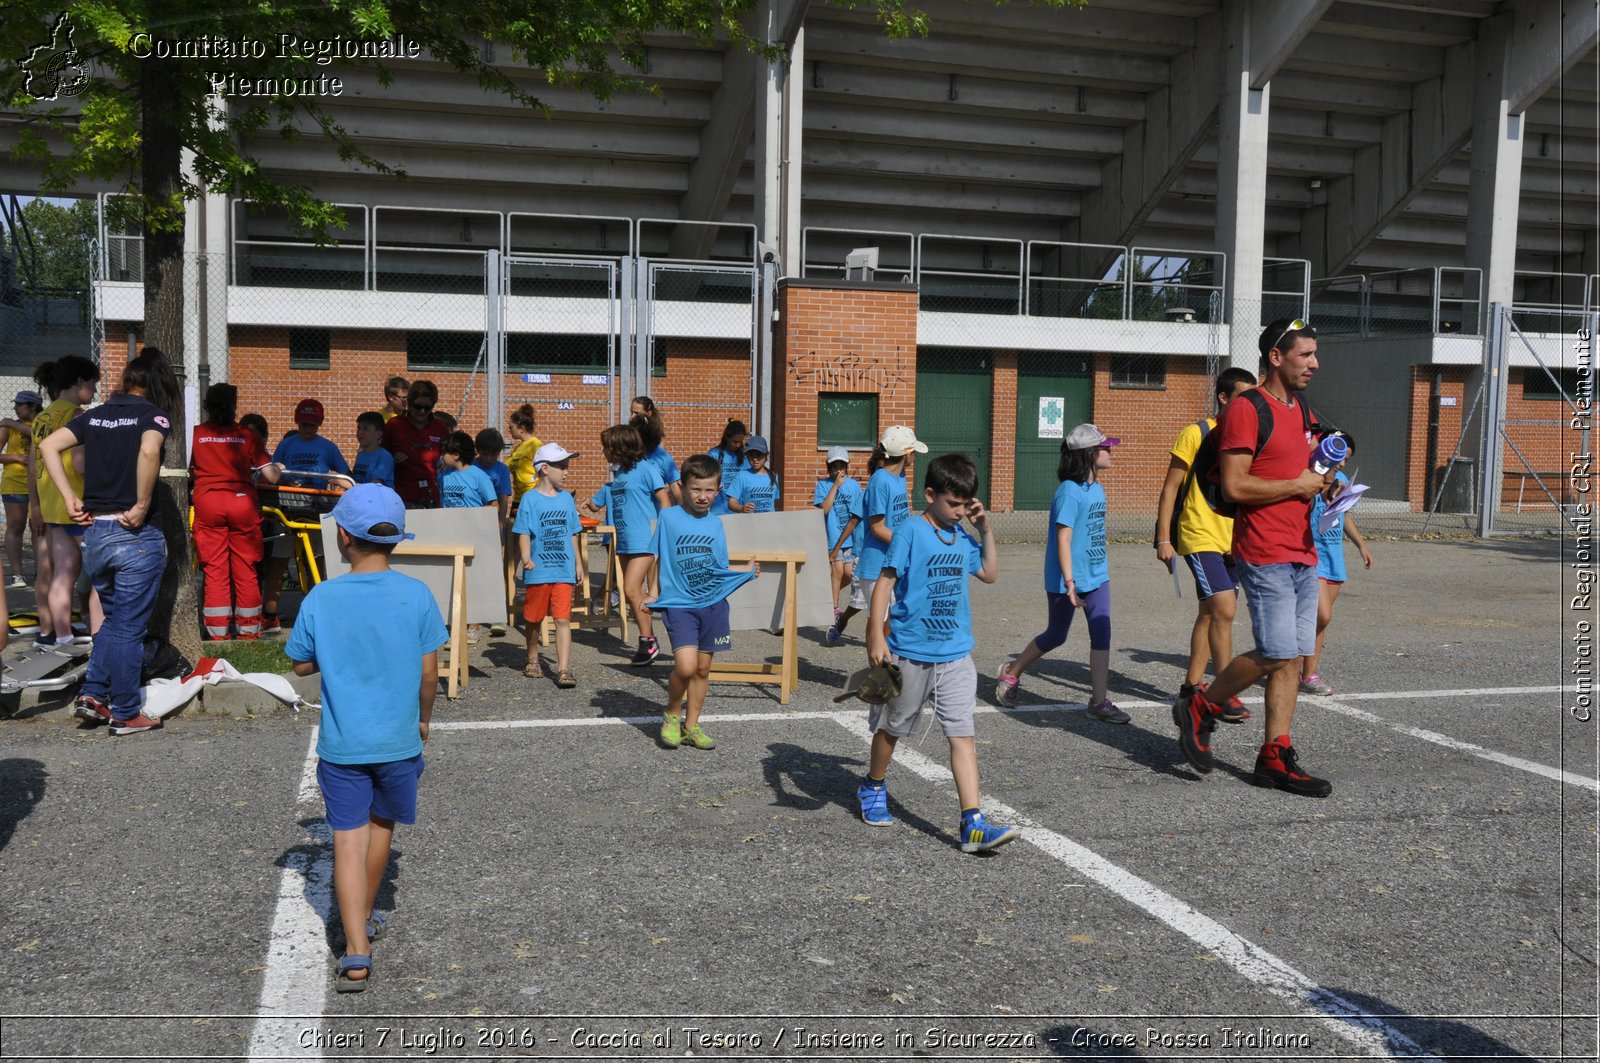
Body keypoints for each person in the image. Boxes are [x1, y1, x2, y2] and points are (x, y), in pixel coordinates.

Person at [284, 483, 448, 993]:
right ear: (397, 539)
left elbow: (300, 660)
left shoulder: (322, 596)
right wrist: (424, 721)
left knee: (346, 842)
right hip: (398, 741)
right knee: (382, 832)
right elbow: (428, 674)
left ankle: (356, 950)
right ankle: (368, 915)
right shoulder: (417, 594)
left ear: (342, 535)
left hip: (343, 744)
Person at [1173, 319, 1335, 798]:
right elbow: (1236, 485)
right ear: (1277, 357)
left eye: (1314, 354)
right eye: (1305, 354)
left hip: (1303, 547)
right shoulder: (1247, 408)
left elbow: (1298, 468)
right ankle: (1202, 705)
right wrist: (1298, 485)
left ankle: (1275, 756)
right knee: (1277, 651)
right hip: (1263, 551)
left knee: (1291, 660)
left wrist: (1325, 480)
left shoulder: (1300, 408)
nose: (1314, 364)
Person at [859, 452, 1018, 854]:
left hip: (955, 655)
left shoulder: (961, 534)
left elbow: (990, 573)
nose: (960, 510)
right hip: (910, 653)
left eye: (966, 504)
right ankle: (873, 784)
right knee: (892, 729)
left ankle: (973, 823)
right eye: (953, 503)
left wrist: (984, 530)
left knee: (962, 735)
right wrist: (876, 636)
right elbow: (884, 583)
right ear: (930, 495)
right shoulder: (912, 531)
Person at [39, 349, 176, 735]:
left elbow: (48, 447)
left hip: (95, 534)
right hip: (135, 534)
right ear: (156, 385)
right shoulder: (153, 415)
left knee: (115, 623)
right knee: (129, 628)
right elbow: (150, 449)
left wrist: (68, 498)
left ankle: (94, 693)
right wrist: (143, 503)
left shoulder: (93, 416)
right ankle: (127, 710)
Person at [994, 424, 1126, 722]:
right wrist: (1069, 582)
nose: (1110, 451)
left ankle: (1099, 702)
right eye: (1105, 447)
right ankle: (1012, 671)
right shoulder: (1069, 492)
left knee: (1102, 632)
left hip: (1096, 577)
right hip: (1066, 580)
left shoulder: (1097, 488)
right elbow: (1063, 539)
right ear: (1090, 454)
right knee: (1056, 635)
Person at [1152, 367, 1258, 723]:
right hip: (1199, 534)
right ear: (1224, 398)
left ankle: (1190, 687)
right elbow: (1170, 489)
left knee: (1210, 612)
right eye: (1244, 398)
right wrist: (1164, 537)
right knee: (1225, 609)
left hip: (1233, 539)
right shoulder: (1196, 433)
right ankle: (1226, 691)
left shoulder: (1247, 439)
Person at [649, 453, 758, 750]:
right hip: (679, 604)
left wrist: (744, 573)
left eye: (709, 490)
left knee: (701, 669)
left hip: (712, 605)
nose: (702, 496)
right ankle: (672, 714)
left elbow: (717, 567)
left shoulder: (717, 524)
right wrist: (652, 591)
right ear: (683, 487)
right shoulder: (668, 517)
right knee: (684, 667)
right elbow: (656, 557)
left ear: (718, 490)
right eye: (696, 489)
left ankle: (692, 726)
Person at [191, 383, 282, 640]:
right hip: (242, 504)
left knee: (215, 570)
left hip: (208, 504)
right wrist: (278, 468)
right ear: (233, 407)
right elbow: (271, 477)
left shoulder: (196, 435)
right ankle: (249, 633)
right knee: (246, 568)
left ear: (208, 405)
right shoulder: (247, 435)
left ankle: (218, 635)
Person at [262, 398, 352, 632]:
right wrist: (283, 475)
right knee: (279, 559)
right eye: (303, 423)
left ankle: (316, 612)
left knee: (318, 560)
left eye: (312, 424)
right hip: (289, 506)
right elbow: (274, 471)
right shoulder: (287, 444)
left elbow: (345, 474)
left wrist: (336, 481)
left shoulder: (327, 447)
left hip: (314, 507)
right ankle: (269, 614)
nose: (307, 427)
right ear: (297, 421)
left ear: (319, 423)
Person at [30, 356, 100, 651]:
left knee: (63, 571)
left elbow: (33, 464)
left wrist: (37, 506)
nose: (95, 391)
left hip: (52, 504)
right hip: (78, 503)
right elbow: (81, 464)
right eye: (93, 384)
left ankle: (62, 638)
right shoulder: (77, 415)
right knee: (100, 571)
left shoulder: (41, 417)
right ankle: (100, 635)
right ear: (80, 382)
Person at [830, 426, 924, 643]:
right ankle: (877, 669)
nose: (915, 458)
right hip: (876, 565)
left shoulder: (900, 476)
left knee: (892, 621)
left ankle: (885, 666)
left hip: (895, 559)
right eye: (914, 453)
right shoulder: (880, 481)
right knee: (878, 624)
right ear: (907, 454)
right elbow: (877, 527)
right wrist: (909, 544)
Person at [1300, 436, 1372, 696]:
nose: (1342, 463)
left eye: (1346, 459)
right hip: (1312, 555)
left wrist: (1361, 544)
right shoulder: (1308, 478)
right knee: (1322, 615)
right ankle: (1293, 665)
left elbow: (1345, 516)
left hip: (1334, 558)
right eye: (1340, 456)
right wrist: (1320, 490)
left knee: (1320, 622)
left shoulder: (1341, 484)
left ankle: (1308, 674)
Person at [513, 443, 586, 688]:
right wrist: (525, 557)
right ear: (545, 468)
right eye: (562, 467)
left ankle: (563, 669)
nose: (566, 472)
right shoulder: (530, 500)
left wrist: (578, 563)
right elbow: (523, 531)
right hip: (538, 569)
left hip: (563, 570)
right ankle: (533, 656)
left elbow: (573, 533)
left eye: (567, 467)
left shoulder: (566, 499)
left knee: (562, 619)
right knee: (533, 618)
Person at [597, 423, 668, 665]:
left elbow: (664, 499)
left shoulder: (646, 469)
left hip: (644, 540)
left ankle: (648, 641)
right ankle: (648, 640)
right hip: (625, 541)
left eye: (606, 448)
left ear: (620, 448)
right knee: (635, 593)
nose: (604, 452)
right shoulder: (620, 474)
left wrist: (664, 532)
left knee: (629, 589)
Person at [814, 446, 864, 641]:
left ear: (847, 466)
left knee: (849, 573)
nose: (838, 470)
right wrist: (835, 485)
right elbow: (824, 510)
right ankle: (833, 608)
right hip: (833, 536)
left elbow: (857, 512)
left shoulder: (853, 486)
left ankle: (826, 596)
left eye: (841, 466)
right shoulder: (823, 486)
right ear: (829, 467)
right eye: (834, 466)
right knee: (837, 571)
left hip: (850, 536)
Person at [382, 379, 449, 508]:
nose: (422, 411)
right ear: (409, 403)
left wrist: (445, 461)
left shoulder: (440, 427)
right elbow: (380, 456)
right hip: (401, 493)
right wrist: (392, 458)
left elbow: (449, 455)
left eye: (427, 407)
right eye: (418, 406)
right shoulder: (395, 425)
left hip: (431, 492)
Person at [0, 390, 42, 587]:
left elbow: (37, 433)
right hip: (14, 484)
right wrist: (17, 458)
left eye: (20, 404)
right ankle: (18, 575)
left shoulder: (43, 422)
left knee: (38, 529)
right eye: (15, 404)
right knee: (15, 528)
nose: (15, 407)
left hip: (40, 485)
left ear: (33, 407)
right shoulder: (7, 427)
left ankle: (41, 572)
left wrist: (12, 423)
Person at [630, 405, 680, 507]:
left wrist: (683, 514)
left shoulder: (662, 457)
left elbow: (675, 487)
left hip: (655, 515)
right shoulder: (628, 456)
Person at [473, 428, 514, 531]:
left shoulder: (502, 469)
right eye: (485, 454)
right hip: (473, 515)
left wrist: (501, 523)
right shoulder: (470, 466)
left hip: (492, 517)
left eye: (493, 455)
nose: (489, 458)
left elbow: (503, 498)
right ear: (478, 450)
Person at [726, 436, 779, 513]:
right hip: (748, 522)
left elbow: (774, 502)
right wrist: (741, 508)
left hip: (769, 522)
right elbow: (731, 503)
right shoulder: (741, 476)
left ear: (767, 455)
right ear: (746, 456)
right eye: (751, 455)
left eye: (759, 455)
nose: (755, 459)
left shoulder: (774, 476)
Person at [506, 404, 542, 503]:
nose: (509, 430)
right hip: (518, 499)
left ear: (521, 428)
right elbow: (505, 467)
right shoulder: (519, 448)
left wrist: (534, 496)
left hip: (532, 499)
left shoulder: (536, 446)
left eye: (511, 427)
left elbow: (544, 474)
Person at [351, 412, 395, 488]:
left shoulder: (384, 457)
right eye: (359, 428)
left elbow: (374, 486)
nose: (360, 432)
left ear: (378, 434)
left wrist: (346, 484)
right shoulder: (361, 454)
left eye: (365, 428)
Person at [708, 419, 748, 486]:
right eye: (735, 442)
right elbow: (708, 476)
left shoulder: (745, 456)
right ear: (726, 437)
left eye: (740, 442)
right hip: (719, 495)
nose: (738, 445)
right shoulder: (714, 454)